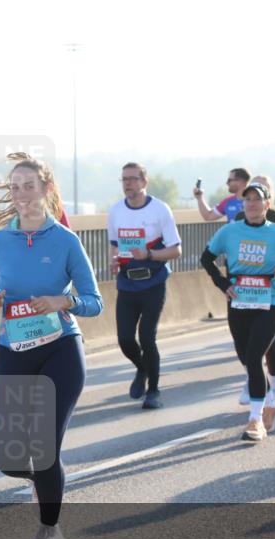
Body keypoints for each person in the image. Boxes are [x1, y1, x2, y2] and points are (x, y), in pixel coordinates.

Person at [0, 156, 102, 539]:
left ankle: (50, 529)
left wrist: (62, 300)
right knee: (11, 458)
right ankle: (42, 480)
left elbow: (94, 301)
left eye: (29, 186)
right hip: (14, 349)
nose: (21, 195)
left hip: (61, 350)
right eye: (15, 187)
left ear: (46, 189)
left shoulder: (66, 240)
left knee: (44, 446)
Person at [200, 182, 275, 441]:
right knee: (246, 357)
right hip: (239, 300)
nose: (252, 203)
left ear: (267, 204)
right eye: (248, 199)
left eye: (258, 199)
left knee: (255, 356)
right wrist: (223, 283)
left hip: (269, 300)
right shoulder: (230, 231)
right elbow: (206, 258)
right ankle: (269, 398)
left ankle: (255, 420)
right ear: (243, 204)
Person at [107, 162, 182, 409]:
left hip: (153, 281)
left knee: (147, 338)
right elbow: (116, 245)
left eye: (132, 179)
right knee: (125, 339)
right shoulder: (116, 211)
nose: (128, 183)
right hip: (127, 282)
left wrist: (149, 255)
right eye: (124, 179)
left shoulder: (160, 209)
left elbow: (176, 250)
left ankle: (154, 391)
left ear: (144, 182)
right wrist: (114, 261)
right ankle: (142, 369)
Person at [232, 175, 275, 405]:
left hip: (270, 289)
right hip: (244, 288)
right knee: (246, 342)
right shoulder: (240, 219)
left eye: (263, 190)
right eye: (251, 194)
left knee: (269, 343)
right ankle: (255, 381)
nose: (254, 198)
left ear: (269, 196)